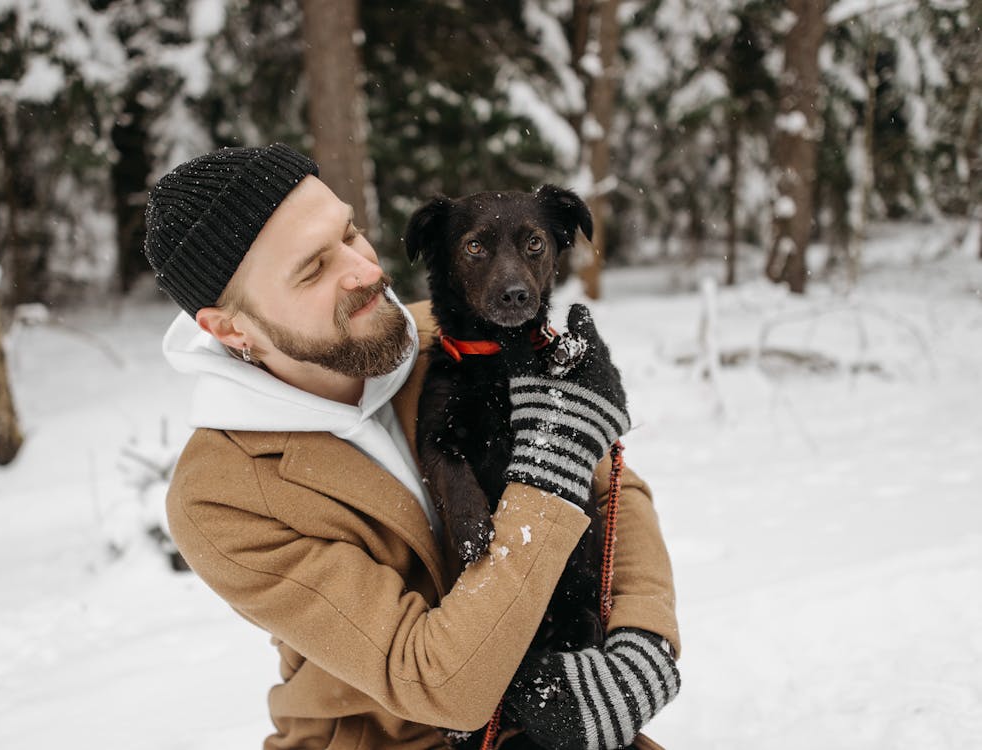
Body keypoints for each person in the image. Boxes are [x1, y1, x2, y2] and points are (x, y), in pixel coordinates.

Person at [143, 143, 681, 750]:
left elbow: (611, 486)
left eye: (350, 234)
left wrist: (643, 639)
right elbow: (439, 684)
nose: (367, 270)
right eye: (314, 269)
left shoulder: (457, 335)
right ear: (230, 328)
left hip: (556, 712)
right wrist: (550, 471)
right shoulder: (222, 494)